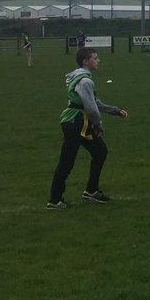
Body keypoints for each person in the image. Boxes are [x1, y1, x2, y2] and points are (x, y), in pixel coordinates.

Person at [47, 47, 127, 209]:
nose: (98, 61)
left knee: (100, 152)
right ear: (86, 61)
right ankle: (55, 200)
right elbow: (91, 108)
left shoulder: (78, 77)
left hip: (76, 122)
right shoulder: (85, 81)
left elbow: (93, 102)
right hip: (75, 123)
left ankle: (91, 191)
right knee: (67, 162)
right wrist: (99, 125)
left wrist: (115, 111)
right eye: (95, 58)